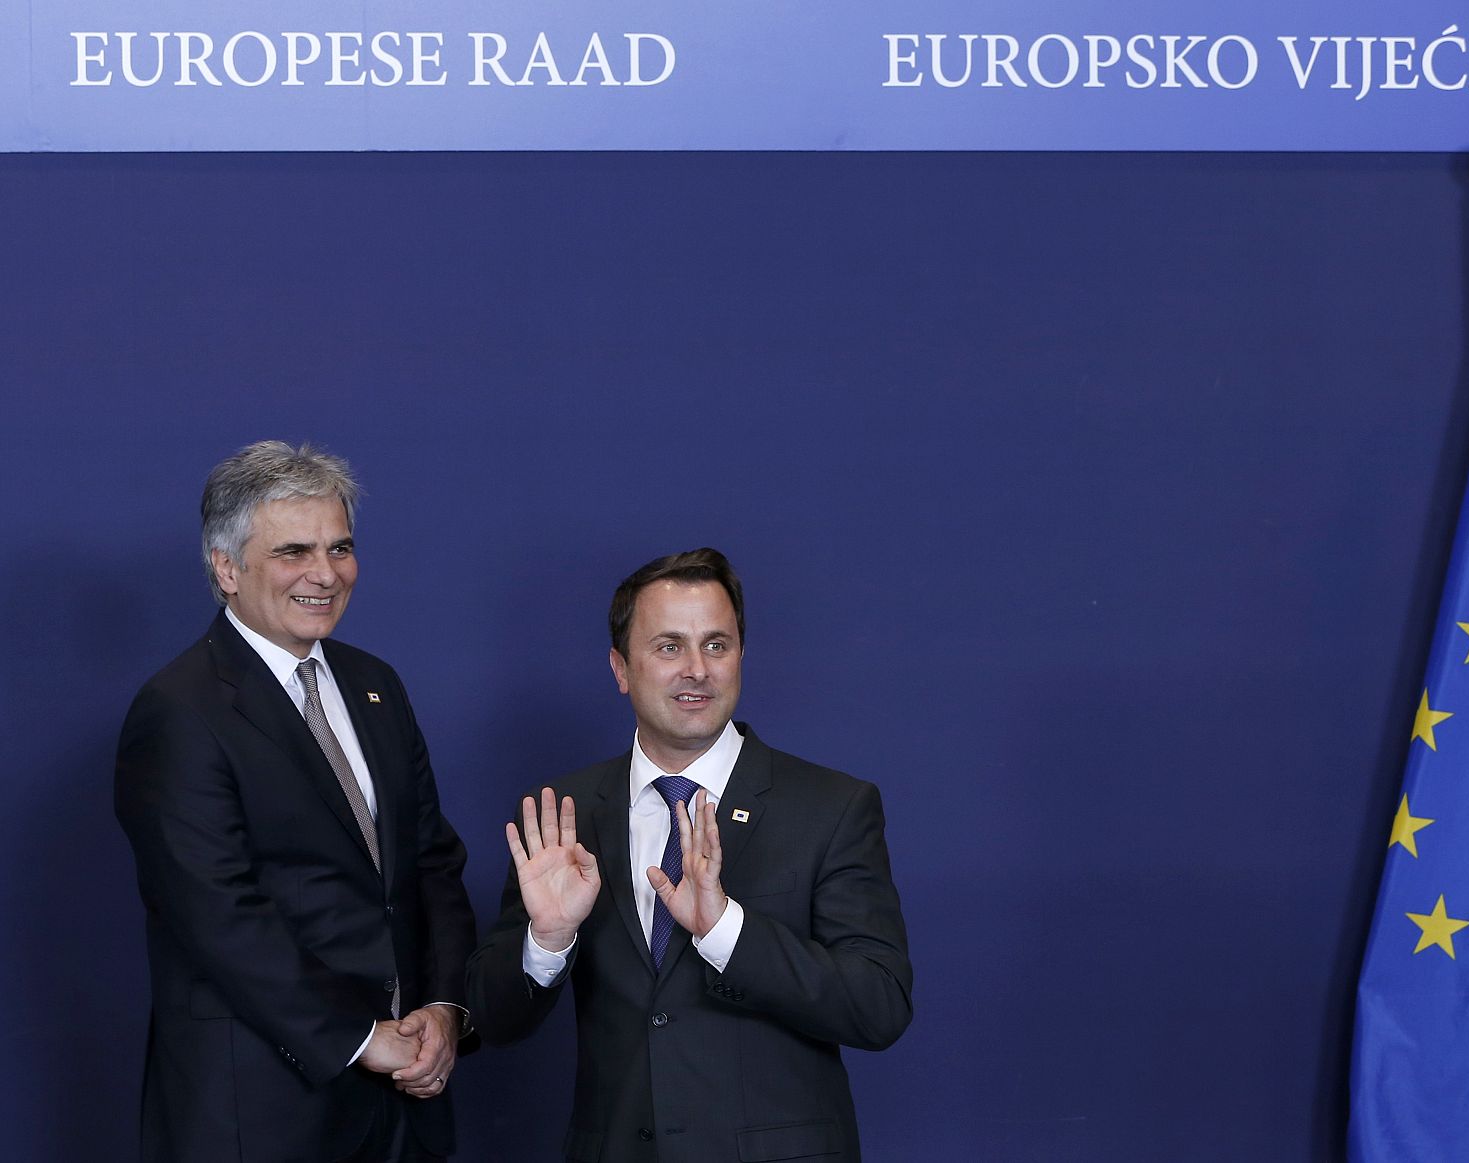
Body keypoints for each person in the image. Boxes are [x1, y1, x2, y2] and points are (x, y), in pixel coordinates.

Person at [467, 547, 912, 1162]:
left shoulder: (832, 806)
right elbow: (494, 1018)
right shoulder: (563, 813)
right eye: (669, 646)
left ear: (740, 658)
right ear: (621, 668)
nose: (697, 670)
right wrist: (548, 939)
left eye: (717, 645)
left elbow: (879, 1006)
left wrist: (725, 929)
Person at [115, 441, 477, 1162]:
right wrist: (360, 1036)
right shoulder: (179, 710)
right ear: (226, 568)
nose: (325, 573)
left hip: (400, 1105)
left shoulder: (377, 684)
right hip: (262, 1110)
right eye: (293, 551)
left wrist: (444, 1007)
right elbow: (217, 913)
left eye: (339, 546)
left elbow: (430, 863)